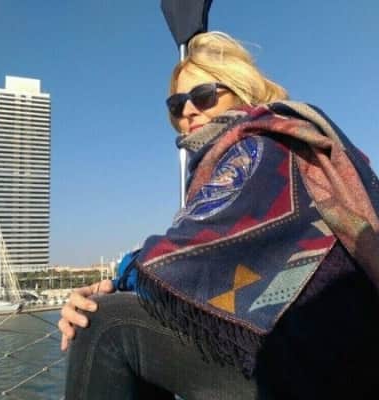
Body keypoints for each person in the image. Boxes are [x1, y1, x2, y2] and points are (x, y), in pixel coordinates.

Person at [59, 32, 379, 400]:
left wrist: (120, 277)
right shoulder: (265, 146)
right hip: (325, 356)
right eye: (177, 104)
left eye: (203, 95)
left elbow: (196, 250)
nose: (188, 111)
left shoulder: (260, 145)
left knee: (105, 323)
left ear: (241, 90)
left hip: (319, 368)